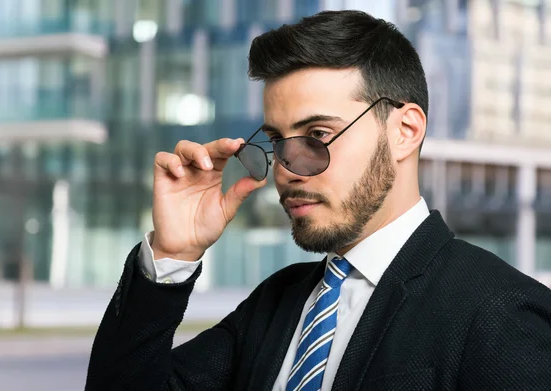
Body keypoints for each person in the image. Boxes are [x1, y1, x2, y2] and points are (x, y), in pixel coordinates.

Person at [84, 10, 551, 391]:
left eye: (318, 135)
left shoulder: (500, 312)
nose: (287, 168)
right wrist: (173, 254)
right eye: (276, 141)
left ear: (404, 131)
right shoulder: (277, 301)